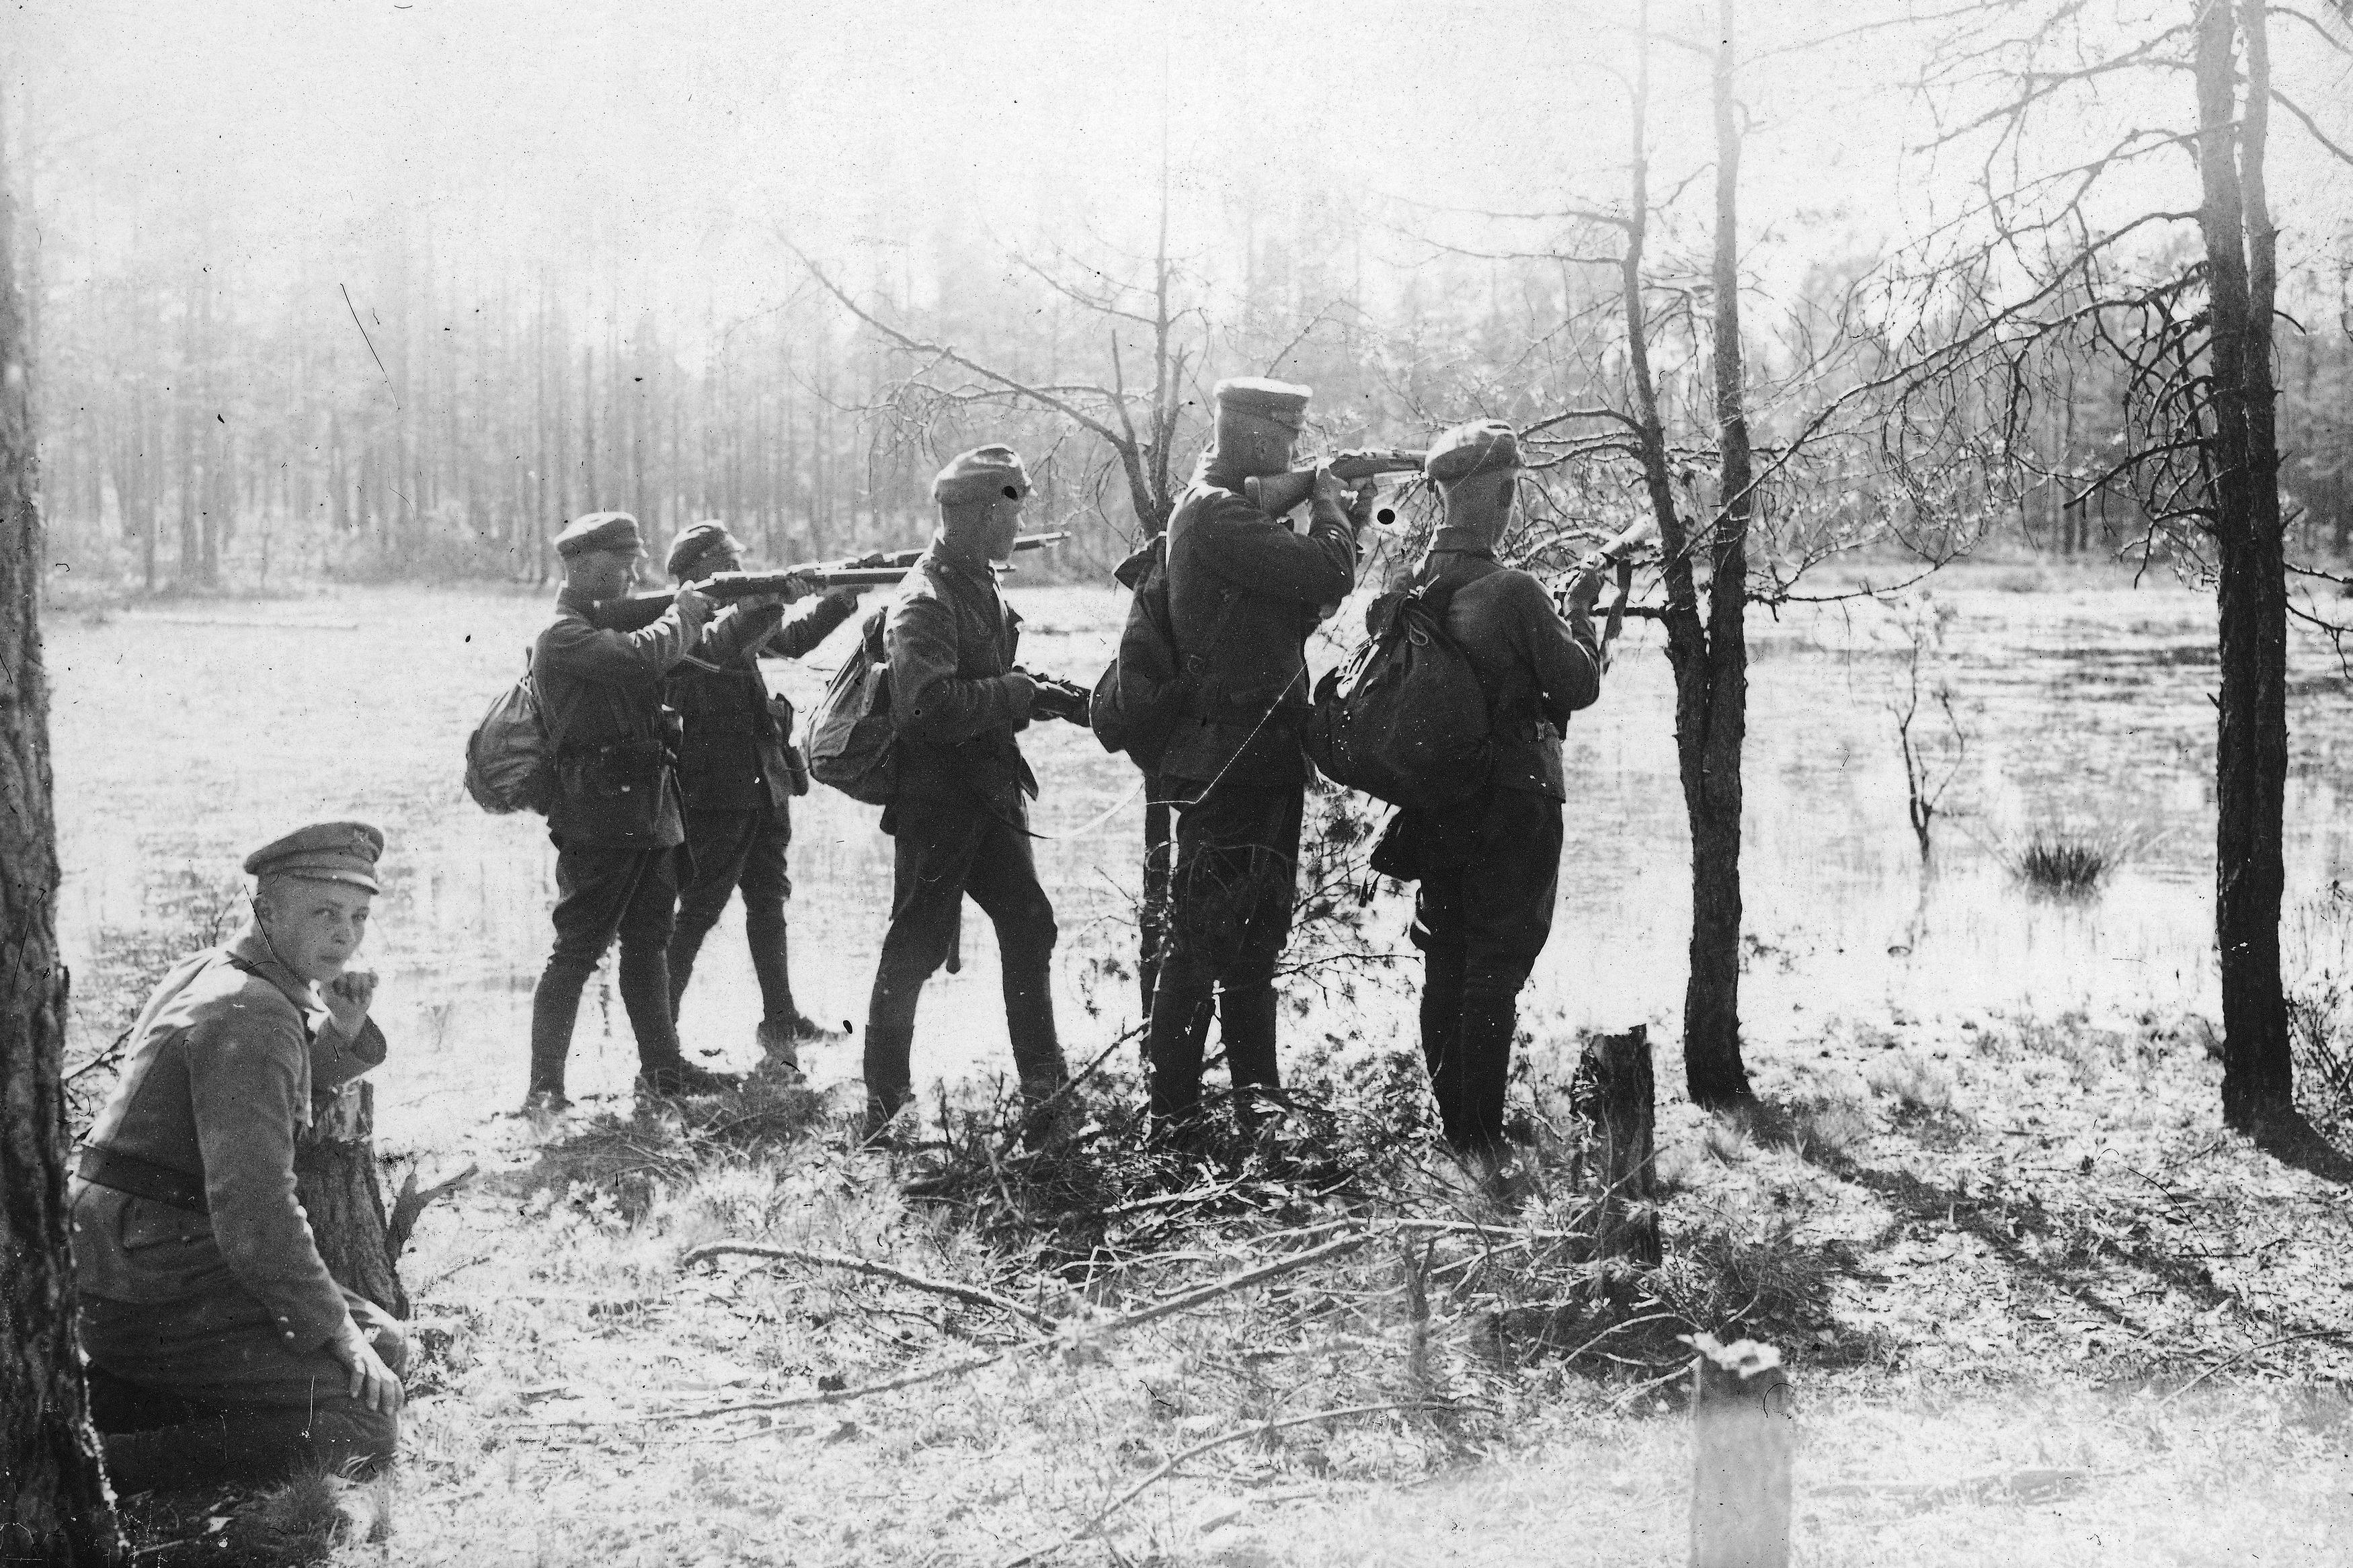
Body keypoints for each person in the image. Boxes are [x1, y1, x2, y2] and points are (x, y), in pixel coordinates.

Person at [69, 823, 407, 1492]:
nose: (346, 934)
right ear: (267, 910)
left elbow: (253, 1094)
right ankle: (88, 1471)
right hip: (152, 1277)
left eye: (358, 916)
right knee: (363, 1427)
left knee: (389, 1348)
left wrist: (338, 1031)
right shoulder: (251, 1012)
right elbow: (256, 1212)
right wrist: (336, 1328)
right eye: (324, 913)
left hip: (129, 1257)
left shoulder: (219, 973)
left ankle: (132, 1403)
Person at [1369, 419, 1605, 1178]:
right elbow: (1577, 685)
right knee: (1493, 968)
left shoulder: (1407, 589)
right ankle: (1479, 1138)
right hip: (1514, 803)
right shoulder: (1514, 591)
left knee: (1446, 960)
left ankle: (1458, 1132)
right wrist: (1580, 613)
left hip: (1439, 805)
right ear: (1503, 494)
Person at [1142, 377, 1372, 1142]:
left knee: (1253, 939)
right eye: (1281, 440)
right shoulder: (1214, 512)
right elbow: (1326, 574)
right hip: (1230, 758)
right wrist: (1333, 508)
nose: (1289, 451)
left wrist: (1328, 505)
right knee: (1206, 937)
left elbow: (1300, 601)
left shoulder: (1225, 513)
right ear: (1246, 439)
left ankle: (1254, 1104)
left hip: (1254, 755)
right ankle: (1170, 1118)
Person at [861, 445, 1066, 1141]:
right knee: (914, 945)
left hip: (986, 790)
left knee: (1029, 921)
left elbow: (981, 669)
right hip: (940, 799)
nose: (1016, 524)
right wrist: (1010, 694)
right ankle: (884, 1108)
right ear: (977, 514)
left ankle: (1044, 1089)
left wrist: (1040, 695)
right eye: (1009, 510)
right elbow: (924, 704)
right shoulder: (923, 596)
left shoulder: (975, 580)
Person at [525, 511, 740, 1114]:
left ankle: (663, 1072)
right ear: (585, 565)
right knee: (576, 950)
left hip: (648, 805)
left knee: (649, 941)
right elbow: (645, 656)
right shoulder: (564, 636)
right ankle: (544, 1091)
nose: (632, 574)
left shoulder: (610, 625)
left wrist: (753, 606)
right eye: (624, 564)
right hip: (597, 811)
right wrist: (686, 611)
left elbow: (701, 656)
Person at [662, 520, 863, 1075]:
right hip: (717, 789)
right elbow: (719, 650)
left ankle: (781, 1017)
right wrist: (768, 599)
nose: (740, 571)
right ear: (701, 571)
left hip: (761, 778)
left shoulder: (732, 617)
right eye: (728, 563)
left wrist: (840, 599)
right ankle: (661, 1040)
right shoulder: (677, 626)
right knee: (699, 909)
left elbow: (791, 643)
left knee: (768, 898)